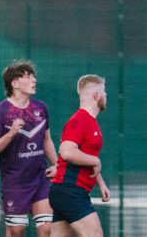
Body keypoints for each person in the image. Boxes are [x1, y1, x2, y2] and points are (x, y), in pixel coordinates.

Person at [0, 60, 58, 236]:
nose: (34, 80)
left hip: (40, 179)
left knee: (47, 228)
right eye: (28, 77)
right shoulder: (0, 112)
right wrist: (11, 134)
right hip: (15, 183)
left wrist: (58, 165)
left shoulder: (41, 107)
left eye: (33, 76)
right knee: (16, 231)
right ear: (14, 83)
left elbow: (47, 140)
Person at [49, 74, 111, 237]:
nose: (106, 95)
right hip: (70, 191)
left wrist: (101, 184)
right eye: (104, 91)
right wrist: (96, 160)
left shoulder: (90, 122)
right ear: (97, 95)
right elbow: (67, 152)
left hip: (66, 192)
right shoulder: (80, 120)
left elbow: (85, 158)